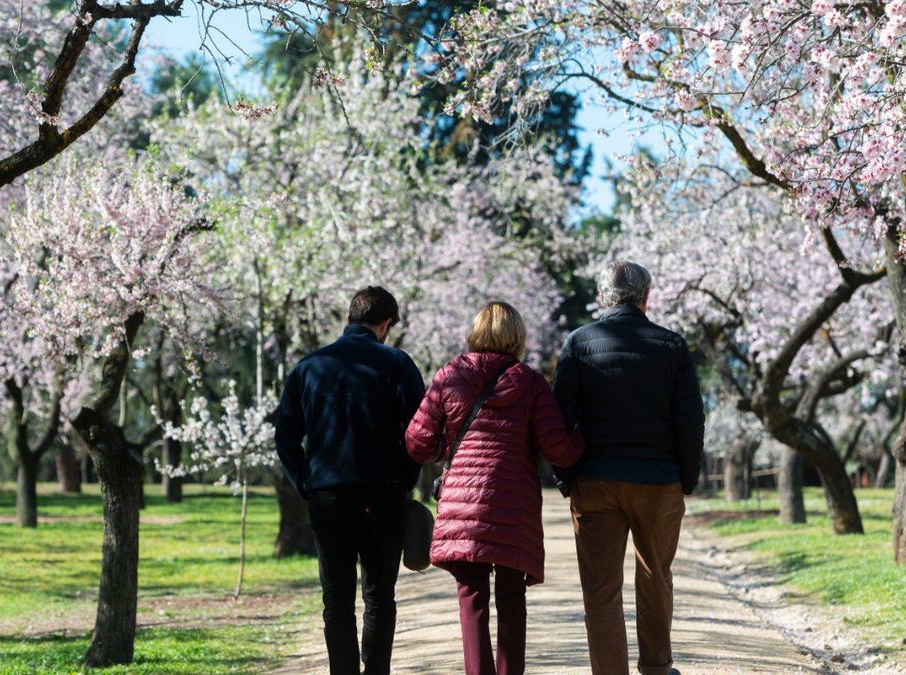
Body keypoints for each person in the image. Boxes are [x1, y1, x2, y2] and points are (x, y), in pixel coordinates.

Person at [405, 301, 583, 675]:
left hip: (463, 506)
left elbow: (417, 443)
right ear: (517, 336)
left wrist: (444, 448)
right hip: (512, 507)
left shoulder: (449, 375)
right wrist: (584, 440)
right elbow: (558, 450)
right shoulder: (530, 382)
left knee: (471, 598)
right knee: (511, 598)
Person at [552, 261, 705, 675]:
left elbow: (558, 419)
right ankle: (656, 667)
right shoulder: (671, 345)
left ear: (603, 297)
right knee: (655, 575)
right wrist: (685, 479)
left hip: (595, 480)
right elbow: (690, 419)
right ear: (645, 297)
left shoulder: (579, 343)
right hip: (657, 481)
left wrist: (567, 477)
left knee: (601, 589)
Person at [275, 286, 425, 675]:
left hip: (327, 494)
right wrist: (406, 478)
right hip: (383, 492)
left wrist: (304, 482)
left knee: (336, 599)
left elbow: (285, 437)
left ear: (350, 317)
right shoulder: (397, 364)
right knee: (378, 596)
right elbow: (419, 432)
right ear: (386, 322)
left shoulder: (308, 367)